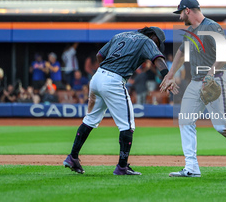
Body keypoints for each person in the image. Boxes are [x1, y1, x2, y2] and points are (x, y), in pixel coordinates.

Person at [161, 0, 226, 177]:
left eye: (180, 12)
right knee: (185, 120)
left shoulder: (210, 26)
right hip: (195, 82)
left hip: (214, 80)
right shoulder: (191, 31)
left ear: (187, 10)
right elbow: (181, 53)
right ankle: (191, 167)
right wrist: (169, 76)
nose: (179, 17)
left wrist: (210, 72)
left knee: (222, 126)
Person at [63, 26, 177, 175]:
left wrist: (109, 68)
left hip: (97, 78)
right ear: (152, 35)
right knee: (127, 125)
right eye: (157, 41)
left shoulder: (121, 35)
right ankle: (122, 167)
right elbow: (159, 60)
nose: (156, 45)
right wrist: (168, 77)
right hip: (113, 81)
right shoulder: (146, 40)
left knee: (90, 119)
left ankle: (72, 157)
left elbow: (100, 55)